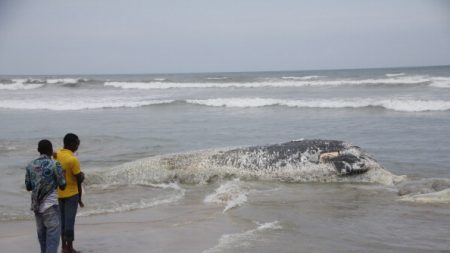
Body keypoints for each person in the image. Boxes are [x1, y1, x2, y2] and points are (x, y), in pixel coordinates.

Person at [25, 140, 66, 253]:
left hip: (36, 207)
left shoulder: (30, 165)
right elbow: (62, 185)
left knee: (43, 240)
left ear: (38, 150)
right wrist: (64, 175)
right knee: (52, 240)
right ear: (51, 150)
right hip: (51, 205)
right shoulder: (54, 164)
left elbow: (28, 187)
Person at [56, 133, 84, 253]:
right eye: (77, 143)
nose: (78, 145)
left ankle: (63, 247)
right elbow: (79, 178)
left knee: (62, 221)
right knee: (69, 222)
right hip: (71, 194)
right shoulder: (73, 159)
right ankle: (70, 248)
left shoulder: (56, 154)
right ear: (71, 144)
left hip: (59, 194)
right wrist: (82, 175)